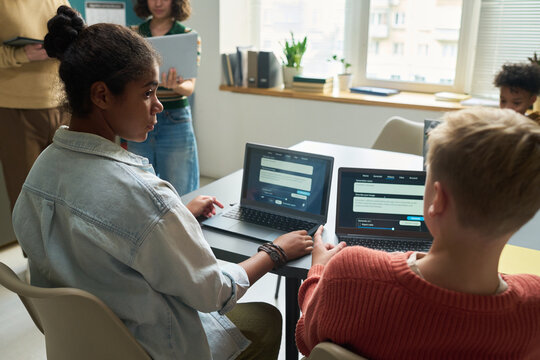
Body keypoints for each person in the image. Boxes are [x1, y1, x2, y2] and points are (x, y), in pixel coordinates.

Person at [12, 6, 314, 360]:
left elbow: (93, 235)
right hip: (146, 349)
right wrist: (274, 252)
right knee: (264, 319)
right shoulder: (143, 193)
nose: (158, 106)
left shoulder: (41, 170)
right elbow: (215, 293)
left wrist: (173, 218)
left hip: (83, 346)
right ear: (101, 95)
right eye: (146, 93)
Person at [295, 107, 540, 358]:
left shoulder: (351, 273)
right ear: (527, 213)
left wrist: (318, 272)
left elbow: (308, 340)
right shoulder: (534, 308)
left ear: (439, 199)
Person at [0, 0, 71, 245]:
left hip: (62, 104)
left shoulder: (57, 0)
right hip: (14, 108)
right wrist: (21, 54)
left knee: (69, 191)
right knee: (27, 196)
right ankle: (37, 268)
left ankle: (71, 261)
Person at [126, 0, 200, 196]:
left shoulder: (187, 36)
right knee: (137, 189)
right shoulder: (133, 33)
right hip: (138, 117)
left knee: (181, 191)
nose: (158, 3)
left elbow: (189, 88)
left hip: (176, 119)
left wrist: (175, 85)